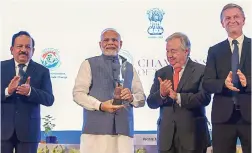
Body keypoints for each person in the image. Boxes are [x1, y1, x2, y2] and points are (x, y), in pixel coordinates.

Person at [73, 28, 146, 153]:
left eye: (114, 40)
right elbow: (78, 94)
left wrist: (131, 97)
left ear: (120, 44)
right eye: (106, 40)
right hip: (95, 133)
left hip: (123, 133)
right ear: (100, 44)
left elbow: (142, 98)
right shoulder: (88, 64)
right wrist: (100, 105)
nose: (110, 43)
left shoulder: (129, 67)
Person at [147, 32, 211, 153]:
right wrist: (161, 94)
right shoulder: (161, 73)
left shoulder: (201, 70)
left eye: (173, 51)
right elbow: (151, 102)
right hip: (166, 139)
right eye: (167, 51)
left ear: (186, 51)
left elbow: (204, 97)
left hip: (193, 137)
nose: (169, 55)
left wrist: (178, 97)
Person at [203, 3, 251, 153]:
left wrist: (248, 81)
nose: (232, 20)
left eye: (236, 17)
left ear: (243, 20)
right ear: (222, 23)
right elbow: (207, 83)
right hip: (223, 118)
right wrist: (223, 83)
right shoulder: (214, 51)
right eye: (227, 18)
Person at [1, 31, 55, 153]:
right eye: (19, 46)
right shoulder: (1, 68)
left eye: (27, 47)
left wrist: (30, 91)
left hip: (29, 132)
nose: (23, 50)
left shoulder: (42, 71)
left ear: (33, 50)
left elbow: (49, 99)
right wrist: (7, 91)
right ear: (12, 49)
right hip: (2, 131)